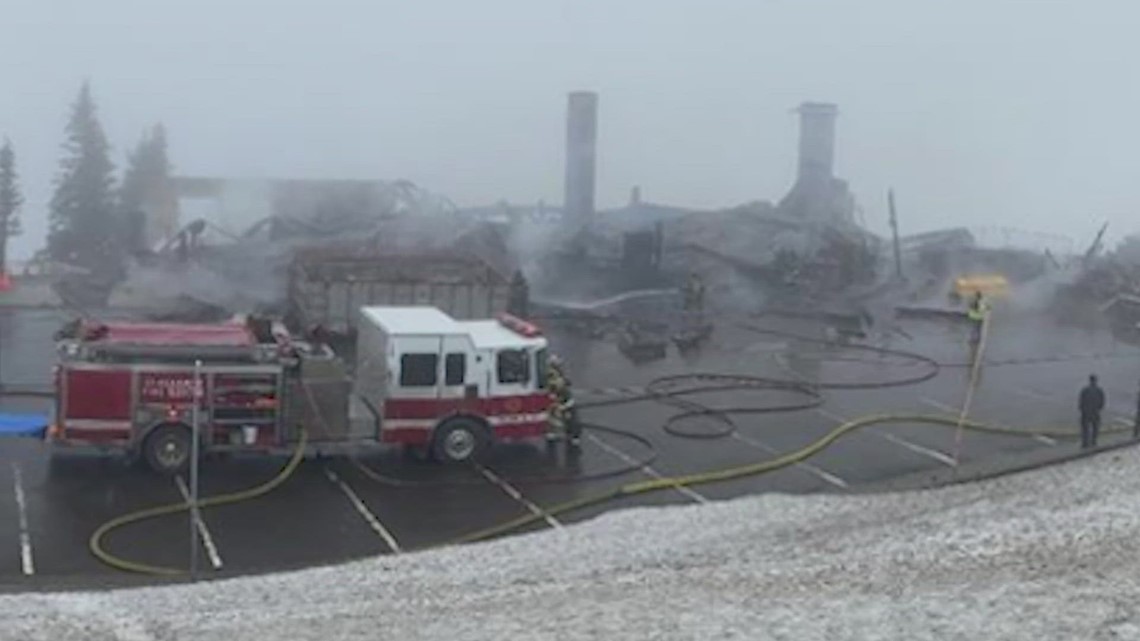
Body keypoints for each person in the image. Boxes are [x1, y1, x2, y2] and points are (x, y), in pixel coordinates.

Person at [545, 356, 581, 447]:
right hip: (558, 400)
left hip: (561, 401)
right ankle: (554, 433)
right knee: (560, 418)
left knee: (568, 418)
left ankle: (571, 435)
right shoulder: (552, 376)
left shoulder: (557, 375)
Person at [1079, 374, 1106, 449]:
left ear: (1089, 380)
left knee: (1085, 428)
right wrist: (1098, 408)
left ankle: (1085, 443)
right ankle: (1094, 442)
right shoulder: (1100, 390)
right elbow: (1102, 402)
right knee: (1095, 428)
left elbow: (1081, 402)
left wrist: (1082, 410)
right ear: (1096, 381)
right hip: (1095, 412)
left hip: (1086, 412)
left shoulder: (1085, 390)